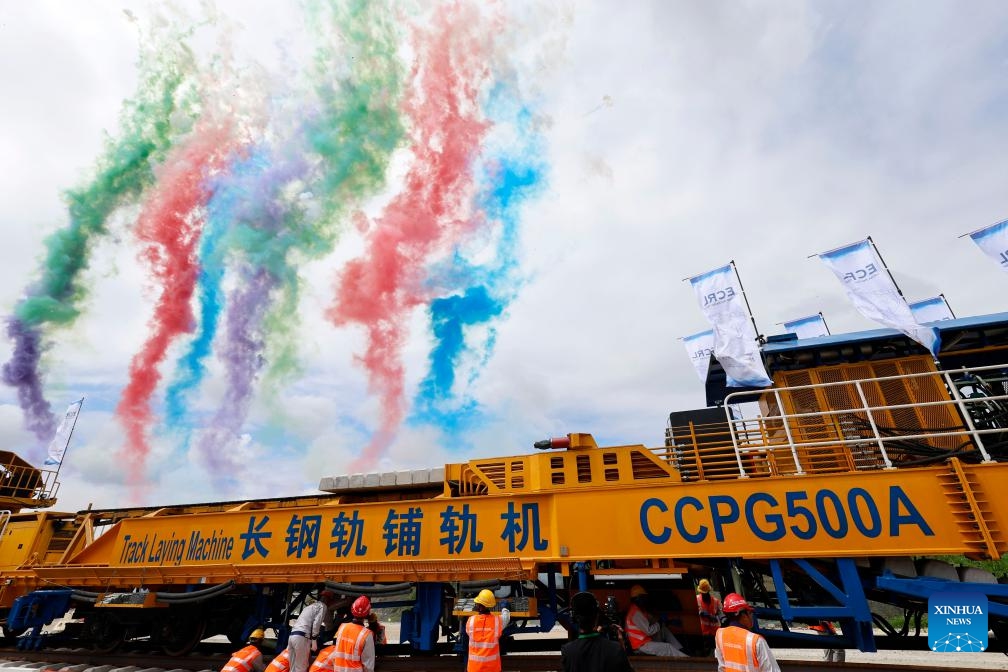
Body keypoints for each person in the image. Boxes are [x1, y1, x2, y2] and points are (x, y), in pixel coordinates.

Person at [561, 592, 634, 672]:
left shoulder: (568, 651)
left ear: (573, 618)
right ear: (597, 616)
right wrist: (622, 649)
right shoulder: (615, 649)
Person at [714, 593, 780, 672]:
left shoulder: (720, 635)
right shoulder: (755, 641)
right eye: (749, 613)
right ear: (743, 616)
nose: (751, 616)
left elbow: (722, 668)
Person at [623, 585, 686, 657]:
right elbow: (649, 631)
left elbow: (652, 619)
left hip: (644, 641)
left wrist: (667, 622)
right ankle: (687, 660)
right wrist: (660, 622)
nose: (645, 600)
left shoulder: (638, 610)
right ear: (638, 598)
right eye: (643, 597)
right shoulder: (635, 613)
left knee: (663, 629)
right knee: (667, 647)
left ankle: (680, 649)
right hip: (640, 645)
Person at [287, 589, 340, 672]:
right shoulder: (323, 606)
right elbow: (316, 624)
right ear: (329, 600)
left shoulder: (309, 607)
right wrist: (314, 641)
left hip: (292, 636)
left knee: (293, 667)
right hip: (302, 637)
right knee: (301, 667)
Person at [321, 595, 376, 672]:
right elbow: (368, 665)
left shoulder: (342, 627)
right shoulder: (367, 634)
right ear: (367, 614)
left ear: (352, 610)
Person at [465, 588, 511, 672]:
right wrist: (505, 608)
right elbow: (506, 618)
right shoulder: (497, 621)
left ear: (478, 605)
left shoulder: (470, 621)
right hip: (492, 668)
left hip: (474, 668)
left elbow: (469, 632)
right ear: (491, 605)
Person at [696, 579, 723, 652]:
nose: (704, 594)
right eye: (703, 593)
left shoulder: (716, 600)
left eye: (705, 593)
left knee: (716, 652)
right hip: (704, 632)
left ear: (708, 592)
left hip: (715, 632)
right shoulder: (697, 599)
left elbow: (721, 614)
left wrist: (717, 618)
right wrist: (703, 613)